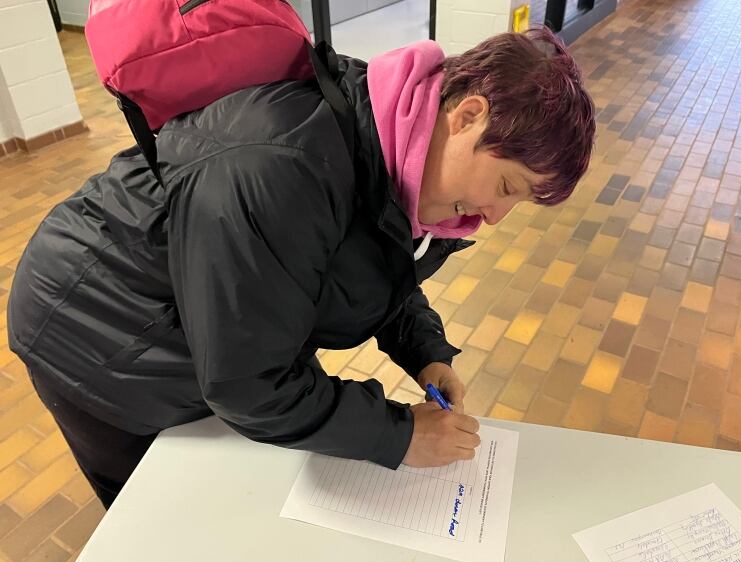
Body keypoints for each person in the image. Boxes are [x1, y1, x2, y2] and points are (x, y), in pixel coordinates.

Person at [7, 27, 595, 508]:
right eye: (507, 186)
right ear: (468, 116)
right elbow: (249, 384)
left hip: (203, 330)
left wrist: (425, 350)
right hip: (95, 329)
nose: (494, 217)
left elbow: (370, 253)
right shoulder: (282, 168)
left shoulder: (387, 129)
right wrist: (400, 434)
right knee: (158, 518)